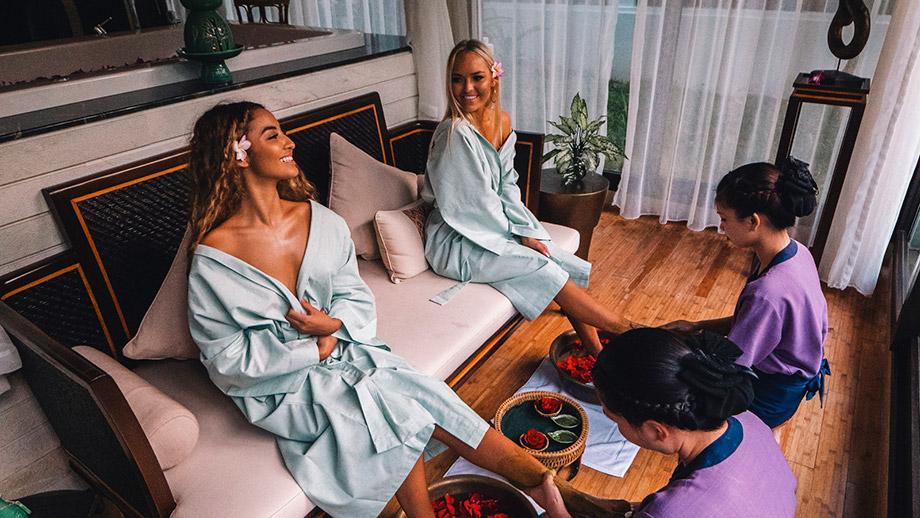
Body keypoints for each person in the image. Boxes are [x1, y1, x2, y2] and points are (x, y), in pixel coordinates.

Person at [184, 102, 612, 517]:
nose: (289, 142)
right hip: (281, 384)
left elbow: (353, 293)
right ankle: (552, 491)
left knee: (430, 395)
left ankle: (551, 489)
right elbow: (225, 359)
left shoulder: (319, 221)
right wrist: (313, 350)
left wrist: (334, 325)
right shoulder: (215, 260)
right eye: (272, 135)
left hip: (346, 346)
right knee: (399, 412)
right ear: (237, 154)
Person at [422, 39, 625, 355]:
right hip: (458, 239)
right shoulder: (455, 134)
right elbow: (472, 206)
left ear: (494, 78)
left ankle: (598, 354)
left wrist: (526, 231)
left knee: (550, 253)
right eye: (457, 79)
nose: (467, 88)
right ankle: (627, 330)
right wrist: (516, 236)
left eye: (477, 77)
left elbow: (507, 186)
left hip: (489, 226)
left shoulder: (501, 121)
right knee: (541, 264)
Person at [530, 328, 797, 517]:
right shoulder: (748, 421)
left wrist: (555, 508)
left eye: (615, 419)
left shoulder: (670, 510)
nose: (616, 425)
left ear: (656, 430)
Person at [664, 158, 830, 431]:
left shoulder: (768, 292)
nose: (722, 227)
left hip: (769, 394)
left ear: (753, 221)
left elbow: (731, 364)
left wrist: (674, 357)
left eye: (724, 219)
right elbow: (756, 324)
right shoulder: (797, 252)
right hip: (791, 380)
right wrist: (696, 326)